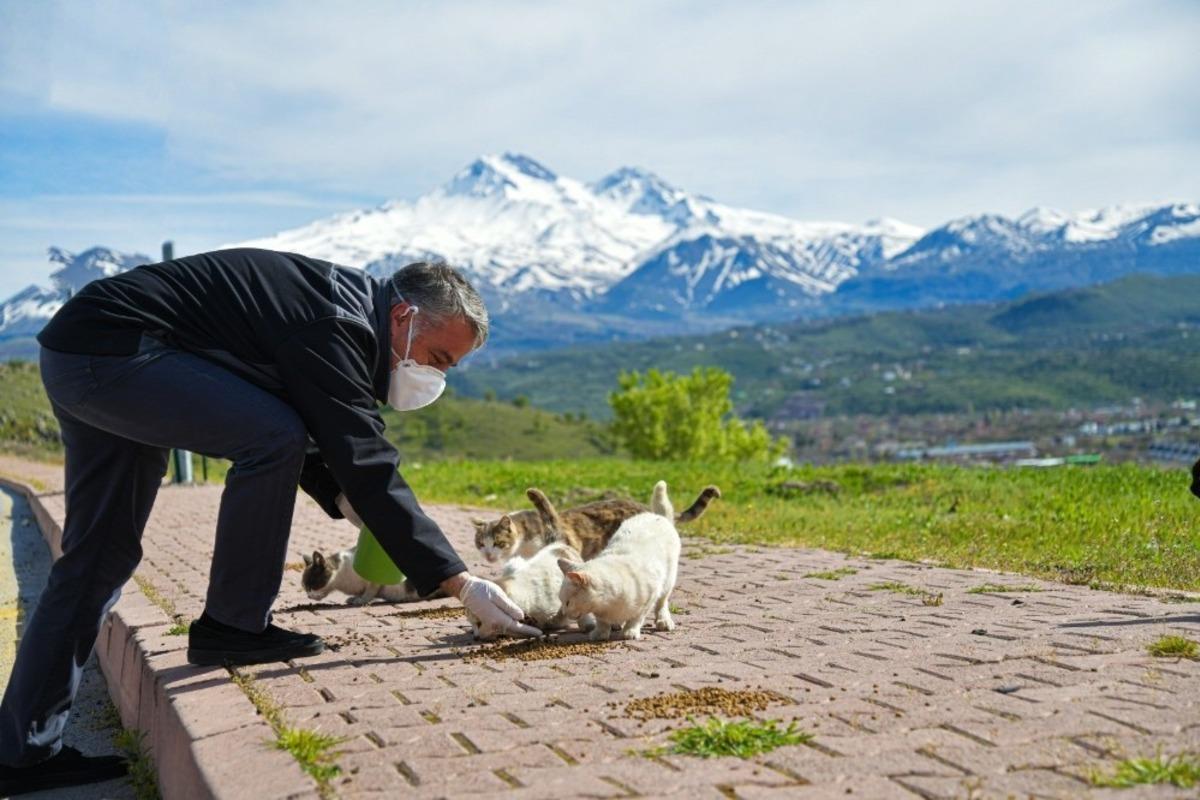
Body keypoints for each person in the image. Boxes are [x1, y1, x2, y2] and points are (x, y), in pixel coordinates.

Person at [0, 248, 539, 796]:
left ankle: (21, 754)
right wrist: (458, 580)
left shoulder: (347, 315)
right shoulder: (337, 323)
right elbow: (361, 457)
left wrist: (345, 500)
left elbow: (320, 427)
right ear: (403, 317)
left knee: (99, 558)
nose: (439, 374)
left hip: (85, 350)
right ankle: (233, 627)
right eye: (439, 356)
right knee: (270, 436)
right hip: (116, 354)